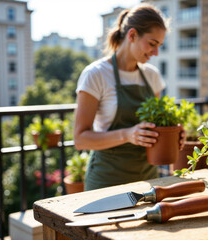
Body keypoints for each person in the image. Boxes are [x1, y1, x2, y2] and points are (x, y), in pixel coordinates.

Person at [74, 4, 184, 191]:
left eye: (159, 46)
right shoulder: (96, 74)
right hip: (106, 182)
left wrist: (172, 133)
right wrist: (127, 134)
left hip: (148, 182)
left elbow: (153, 126)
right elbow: (80, 139)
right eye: (152, 44)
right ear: (132, 35)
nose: (156, 53)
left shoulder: (152, 75)